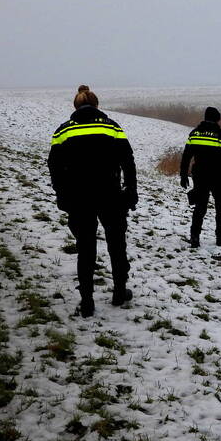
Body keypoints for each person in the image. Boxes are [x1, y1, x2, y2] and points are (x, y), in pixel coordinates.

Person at [48, 87, 137, 317]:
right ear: (97, 105)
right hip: (111, 195)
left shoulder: (63, 131)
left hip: (78, 198)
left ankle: (87, 301)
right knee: (117, 245)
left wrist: (61, 194)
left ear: (75, 107)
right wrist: (131, 190)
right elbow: (128, 161)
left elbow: (54, 166)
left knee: (85, 249)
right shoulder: (112, 127)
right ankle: (119, 291)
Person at [180, 106, 221, 247]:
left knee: (200, 207)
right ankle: (220, 239)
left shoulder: (194, 134)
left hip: (199, 176)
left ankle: (194, 238)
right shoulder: (220, 136)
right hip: (218, 177)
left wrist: (183, 175)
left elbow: (186, 157)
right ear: (217, 119)